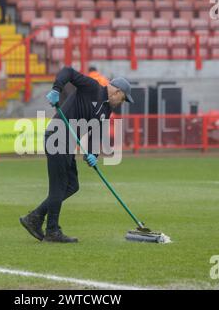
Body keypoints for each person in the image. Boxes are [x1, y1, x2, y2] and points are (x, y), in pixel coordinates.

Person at [19, 67, 134, 243]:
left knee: (72, 185)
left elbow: (96, 135)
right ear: (117, 91)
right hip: (57, 136)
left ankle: (35, 217)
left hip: (68, 143)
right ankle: (52, 231)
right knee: (59, 186)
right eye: (123, 99)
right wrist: (56, 89)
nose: (121, 103)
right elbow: (68, 72)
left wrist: (93, 154)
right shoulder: (92, 87)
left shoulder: (106, 111)